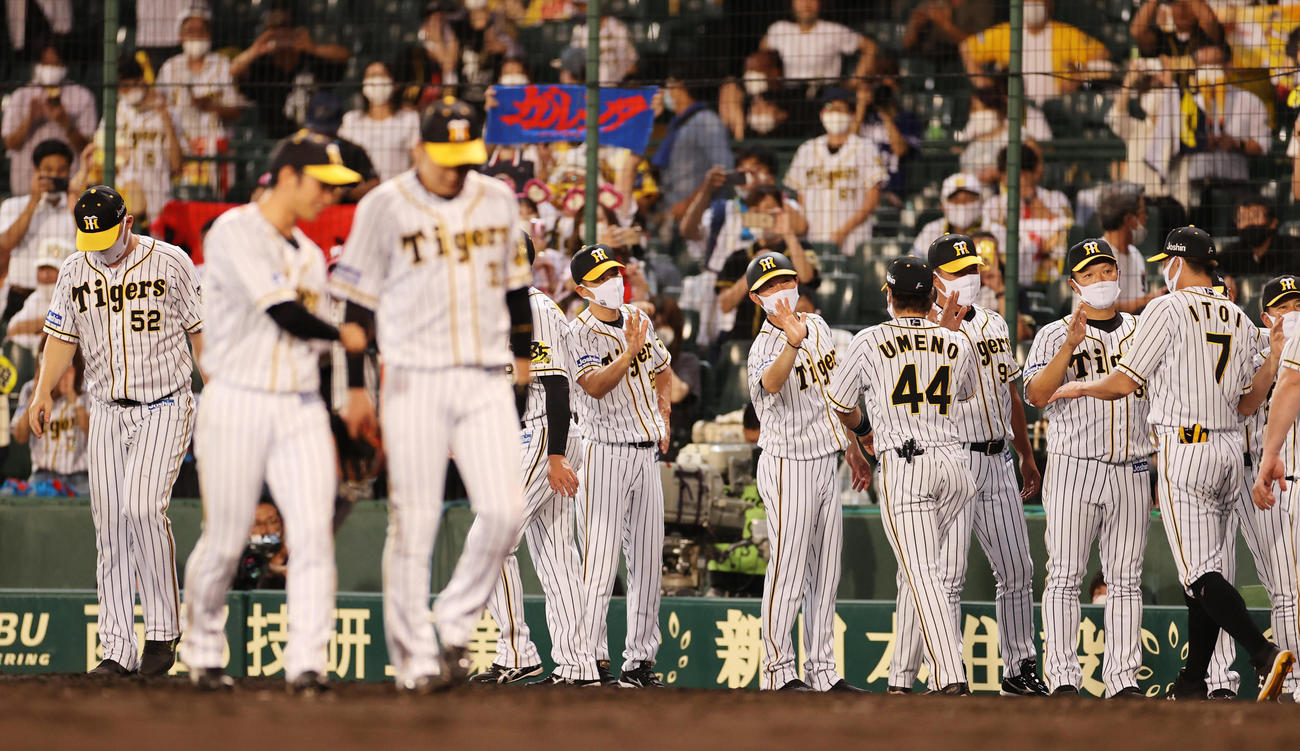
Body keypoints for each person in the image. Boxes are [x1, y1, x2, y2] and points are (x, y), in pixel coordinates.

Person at [332, 97, 533, 693]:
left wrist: (523, 367)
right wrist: (354, 388)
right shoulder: (383, 206)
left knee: (506, 512)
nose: (457, 169)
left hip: (483, 375)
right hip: (414, 377)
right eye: (445, 158)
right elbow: (356, 306)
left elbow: (518, 292)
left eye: (465, 157)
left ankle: (452, 622)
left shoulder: (497, 198)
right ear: (417, 149)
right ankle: (416, 658)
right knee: (413, 522)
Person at [1049, 226, 1295, 702]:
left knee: (1200, 574)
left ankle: (1262, 653)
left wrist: (1079, 386)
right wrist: (1273, 361)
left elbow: (1124, 382)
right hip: (1229, 451)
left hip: (1187, 450)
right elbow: (1249, 404)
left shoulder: (1165, 307)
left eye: (1169, 261)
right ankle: (1192, 682)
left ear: (1179, 264)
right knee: (1204, 571)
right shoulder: (1239, 317)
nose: (1166, 267)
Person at [182, 131, 365, 695]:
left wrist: (343, 411)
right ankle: (204, 652)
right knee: (226, 536)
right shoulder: (235, 230)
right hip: (237, 397)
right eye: (321, 184)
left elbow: (314, 345)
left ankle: (307, 663)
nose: (329, 197)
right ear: (287, 177)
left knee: (312, 534)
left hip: (300, 406)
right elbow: (284, 313)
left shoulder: (309, 254)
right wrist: (346, 334)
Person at [29, 184, 204, 677]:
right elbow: (61, 337)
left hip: (166, 403)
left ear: (128, 222)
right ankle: (117, 650)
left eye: (106, 235)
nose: (99, 246)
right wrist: (42, 391)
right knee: (110, 524)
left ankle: (163, 636)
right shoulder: (74, 269)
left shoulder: (170, 262)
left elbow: (200, 333)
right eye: (91, 238)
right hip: (105, 407)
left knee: (144, 508)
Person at [891, 233, 1047, 697]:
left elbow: (1011, 394)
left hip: (997, 458)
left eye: (973, 269)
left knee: (1018, 569)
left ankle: (1019, 669)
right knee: (946, 577)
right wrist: (946, 332)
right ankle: (935, 674)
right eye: (958, 272)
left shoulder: (996, 324)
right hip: (949, 459)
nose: (969, 278)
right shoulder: (917, 332)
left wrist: (1025, 452)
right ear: (934, 280)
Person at [827, 256, 978, 696]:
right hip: (955, 469)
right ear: (932, 296)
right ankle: (900, 680)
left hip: (908, 468)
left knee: (922, 572)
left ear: (890, 296)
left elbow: (840, 402)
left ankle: (951, 674)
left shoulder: (869, 339)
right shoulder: (958, 340)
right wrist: (944, 338)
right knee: (915, 573)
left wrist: (863, 431)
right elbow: (965, 390)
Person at [1024, 239, 1154, 698]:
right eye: (1091, 272)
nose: (1102, 279)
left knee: (1126, 578)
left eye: (1107, 270)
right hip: (1075, 467)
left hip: (1133, 468)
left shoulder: (1143, 329)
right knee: (1064, 575)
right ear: (1073, 283)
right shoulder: (1052, 333)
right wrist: (1069, 347)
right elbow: (1036, 396)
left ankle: (1122, 680)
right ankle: (1062, 678)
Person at [470, 235, 596, 686]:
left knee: (489, 538)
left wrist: (557, 455)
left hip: (548, 436)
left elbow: (558, 387)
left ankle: (517, 652)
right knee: (556, 557)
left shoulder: (536, 308)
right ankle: (578, 665)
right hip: (533, 437)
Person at [743, 251, 859, 693]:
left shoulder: (820, 325)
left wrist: (853, 444)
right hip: (787, 465)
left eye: (785, 280)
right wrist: (791, 342)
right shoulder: (764, 347)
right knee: (788, 570)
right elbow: (771, 384)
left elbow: (833, 392)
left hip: (826, 459)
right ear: (756, 297)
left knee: (825, 573)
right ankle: (777, 671)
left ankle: (823, 671)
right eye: (770, 286)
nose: (781, 290)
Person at [566, 243, 672, 688]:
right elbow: (593, 386)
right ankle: (588, 661)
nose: (613, 280)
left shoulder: (639, 319)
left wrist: (665, 413)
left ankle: (639, 661)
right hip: (603, 451)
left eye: (614, 271)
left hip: (645, 453)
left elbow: (663, 368)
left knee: (648, 561)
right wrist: (629, 352)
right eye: (601, 276)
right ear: (581, 288)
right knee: (601, 561)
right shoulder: (578, 333)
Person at [1205, 275, 1300, 700]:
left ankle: (1293, 680)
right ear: (1265, 315)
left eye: (1298, 304)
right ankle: (1221, 682)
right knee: (1218, 578)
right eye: (1283, 306)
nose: (1292, 313)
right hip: (1232, 473)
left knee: (1285, 585)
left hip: (1278, 477)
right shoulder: (1245, 342)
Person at [783, 87, 886, 256]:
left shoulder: (865, 148)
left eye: (841, 108)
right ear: (821, 113)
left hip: (854, 241)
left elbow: (872, 200)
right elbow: (801, 199)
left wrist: (843, 231)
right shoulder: (807, 150)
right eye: (829, 107)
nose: (834, 113)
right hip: (813, 240)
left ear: (852, 115)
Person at [1168, 43, 1267, 214]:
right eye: (1203, 65)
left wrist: (1237, 144)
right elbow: (1171, 146)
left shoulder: (1249, 101)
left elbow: (1263, 146)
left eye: (1214, 65)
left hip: (1234, 188)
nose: (1208, 71)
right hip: (1194, 188)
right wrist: (1199, 143)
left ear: (1227, 68)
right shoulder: (1185, 103)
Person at [156, 4, 244, 197]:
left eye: (201, 30)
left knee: (212, 204)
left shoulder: (222, 65)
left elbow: (236, 111)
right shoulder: (170, 67)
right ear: (180, 36)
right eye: (190, 31)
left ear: (209, 34)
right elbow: (159, 106)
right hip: (179, 148)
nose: (196, 35)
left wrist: (210, 106)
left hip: (214, 150)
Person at [680, 146, 808, 274]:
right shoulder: (722, 210)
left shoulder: (784, 207)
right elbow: (687, 232)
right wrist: (706, 190)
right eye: (742, 170)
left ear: (771, 177)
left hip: (770, 280)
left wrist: (765, 189)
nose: (748, 175)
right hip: (723, 280)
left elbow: (801, 227)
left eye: (756, 169)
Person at [713, 187, 817, 343]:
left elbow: (807, 276)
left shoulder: (799, 248)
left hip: (790, 338)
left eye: (770, 210)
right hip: (746, 341)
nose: (765, 216)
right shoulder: (738, 257)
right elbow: (724, 305)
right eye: (758, 212)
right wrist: (752, 272)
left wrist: (788, 232)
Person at [230, 6, 350, 137]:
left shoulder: (311, 59)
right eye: (273, 29)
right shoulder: (262, 65)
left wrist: (314, 48)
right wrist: (255, 49)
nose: (280, 33)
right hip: (275, 140)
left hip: (313, 138)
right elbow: (233, 70)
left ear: (294, 30)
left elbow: (344, 55)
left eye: (284, 27)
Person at [961, 0, 1111, 104]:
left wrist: (1076, 76)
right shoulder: (1006, 32)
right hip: (1013, 107)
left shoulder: (1063, 33)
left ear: (1048, 4)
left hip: (1053, 107)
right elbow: (966, 47)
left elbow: (1102, 53)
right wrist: (982, 83)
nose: (1031, 3)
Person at [1, 41, 95, 196]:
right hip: (26, 188)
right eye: (46, 63)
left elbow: (88, 148)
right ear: (37, 64)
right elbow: (10, 143)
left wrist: (66, 123)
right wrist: (29, 120)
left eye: (56, 64)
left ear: (65, 65)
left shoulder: (82, 96)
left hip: (69, 189)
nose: (51, 69)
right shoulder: (21, 96)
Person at [0, 139, 75, 321]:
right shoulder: (14, 205)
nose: (54, 176)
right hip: (19, 295)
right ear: (36, 170)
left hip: (62, 300)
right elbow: (5, 245)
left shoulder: (75, 209)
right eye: (48, 170)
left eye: (61, 170)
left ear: (69, 172)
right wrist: (34, 201)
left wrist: (75, 201)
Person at [107, 54, 185, 228]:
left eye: (128, 85)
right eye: (120, 88)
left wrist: (164, 117)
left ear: (142, 79)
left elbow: (176, 165)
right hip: (125, 197)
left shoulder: (170, 112)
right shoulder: (117, 111)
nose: (124, 92)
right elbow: (100, 151)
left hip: (160, 196)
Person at [984, 144, 1073, 286]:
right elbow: (993, 242)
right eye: (1010, 173)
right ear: (1001, 175)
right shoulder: (994, 205)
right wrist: (1041, 246)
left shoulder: (1055, 198)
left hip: (1050, 279)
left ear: (1033, 173)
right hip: (1005, 277)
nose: (1017, 179)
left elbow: (1066, 234)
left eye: (1022, 173)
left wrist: (1029, 196)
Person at [651, 70, 734, 220]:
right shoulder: (678, 124)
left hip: (704, 217)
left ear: (681, 87)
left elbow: (723, 169)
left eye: (669, 87)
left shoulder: (706, 121)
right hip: (678, 215)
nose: (664, 93)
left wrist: (689, 204)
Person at [11, 345, 88, 496]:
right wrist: (37, 392)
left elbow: (93, 433)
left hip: (80, 477)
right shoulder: (29, 389)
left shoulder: (85, 390)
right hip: (43, 475)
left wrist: (72, 396)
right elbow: (19, 437)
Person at [760, 0, 875, 94]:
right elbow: (762, 52)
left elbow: (870, 47)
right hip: (789, 94)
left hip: (827, 93)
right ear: (792, 3)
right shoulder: (779, 29)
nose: (806, 5)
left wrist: (855, 81)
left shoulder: (832, 30)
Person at [339, 60, 420, 183]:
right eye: (371, 76)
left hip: (397, 192)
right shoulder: (351, 120)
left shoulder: (409, 119)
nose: (376, 80)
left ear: (394, 84)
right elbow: (340, 159)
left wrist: (405, 185)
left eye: (382, 75)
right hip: (360, 193)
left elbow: (419, 159)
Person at [853, 58, 921, 198]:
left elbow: (900, 150)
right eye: (875, 82)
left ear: (897, 86)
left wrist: (884, 111)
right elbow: (846, 144)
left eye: (887, 79)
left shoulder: (907, 118)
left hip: (892, 194)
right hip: (858, 193)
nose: (880, 86)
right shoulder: (859, 118)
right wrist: (860, 107)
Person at [1095, 181, 1166, 315]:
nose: (1146, 217)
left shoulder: (1135, 254)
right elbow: (1099, 311)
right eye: (1142, 213)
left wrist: (1153, 299)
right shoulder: (1097, 256)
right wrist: (1148, 300)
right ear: (1128, 219)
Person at [718, 50, 811, 142]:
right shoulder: (746, 100)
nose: (750, 76)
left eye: (756, 70)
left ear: (776, 72)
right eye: (748, 70)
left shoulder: (796, 99)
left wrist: (779, 116)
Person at [302, 92, 378, 202]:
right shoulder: (299, 149)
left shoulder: (352, 150)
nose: (322, 137)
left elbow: (374, 184)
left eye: (328, 133)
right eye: (317, 131)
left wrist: (346, 193)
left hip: (344, 213)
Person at [6, 243, 69, 353]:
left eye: (51, 269)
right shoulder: (36, 298)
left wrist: (34, 328)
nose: (45, 275)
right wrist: (52, 321)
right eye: (42, 268)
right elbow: (12, 330)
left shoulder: (75, 299)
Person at [1217, 194, 1299, 278]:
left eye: (1255, 216)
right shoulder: (1233, 252)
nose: (1249, 223)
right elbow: (1211, 268)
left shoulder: (1293, 249)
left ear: (1273, 222)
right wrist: (1224, 278)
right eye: (1243, 218)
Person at [911, 172, 987, 256]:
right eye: (955, 200)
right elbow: (912, 262)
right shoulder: (931, 230)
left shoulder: (993, 230)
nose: (962, 206)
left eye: (968, 199)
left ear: (981, 202)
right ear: (943, 205)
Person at [903, 0, 996, 62]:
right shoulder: (933, 2)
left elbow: (977, 43)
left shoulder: (982, 3)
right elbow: (906, 43)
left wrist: (945, 25)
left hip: (962, 59)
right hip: (927, 57)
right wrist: (915, 26)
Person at [569, 0, 637, 85]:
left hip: (616, 86)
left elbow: (632, 65)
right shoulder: (579, 29)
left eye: (583, 6)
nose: (579, 10)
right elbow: (572, 67)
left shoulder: (618, 28)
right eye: (578, 7)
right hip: (587, 87)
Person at [1130, 0, 1223, 61]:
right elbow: (1136, 31)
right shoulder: (1163, 38)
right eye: (1177, 4)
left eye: (1187, 4)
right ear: (1171, 8)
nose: (1182, 10)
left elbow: (1210, 20)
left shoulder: (1205, 37)